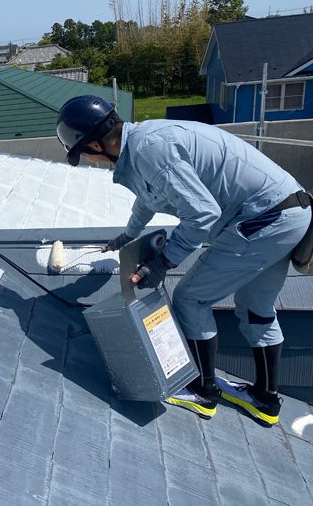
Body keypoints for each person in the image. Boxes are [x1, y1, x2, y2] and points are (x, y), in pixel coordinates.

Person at [57, 95, 311, 426]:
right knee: (255, 307)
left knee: (191, 298)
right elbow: (150, 196)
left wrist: (165, 261)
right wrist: (129, 234)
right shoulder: (144, 142)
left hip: (263, 220)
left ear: (94, 144)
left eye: (83, 155)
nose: (90, 162)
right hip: (289, 213)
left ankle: (203, 391)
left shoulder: (151, 150)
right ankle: (266, 400)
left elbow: (203, 214)